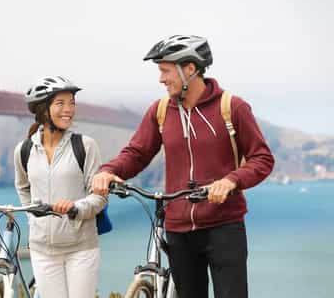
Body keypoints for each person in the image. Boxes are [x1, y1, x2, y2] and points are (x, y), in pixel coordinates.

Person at [92, 35, 275, 298]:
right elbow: (137, 153)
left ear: (190, 69)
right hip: (178, 228)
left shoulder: (232, 107)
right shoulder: (161, 110)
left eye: (166, 71)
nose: (161, 79)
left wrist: (231, 181)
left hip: (223, 226)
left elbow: (262, 158)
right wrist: (109, 171)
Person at [13, 76, 106, 298]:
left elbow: (100, 197)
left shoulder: (84, 146)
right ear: (43, 109)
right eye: (61, 103)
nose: (69, 109)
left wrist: (76, 208)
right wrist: (33, 217)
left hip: (81, 248)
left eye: (72, 103)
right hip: (41, 250)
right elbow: (23, 187)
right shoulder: (24, 150)